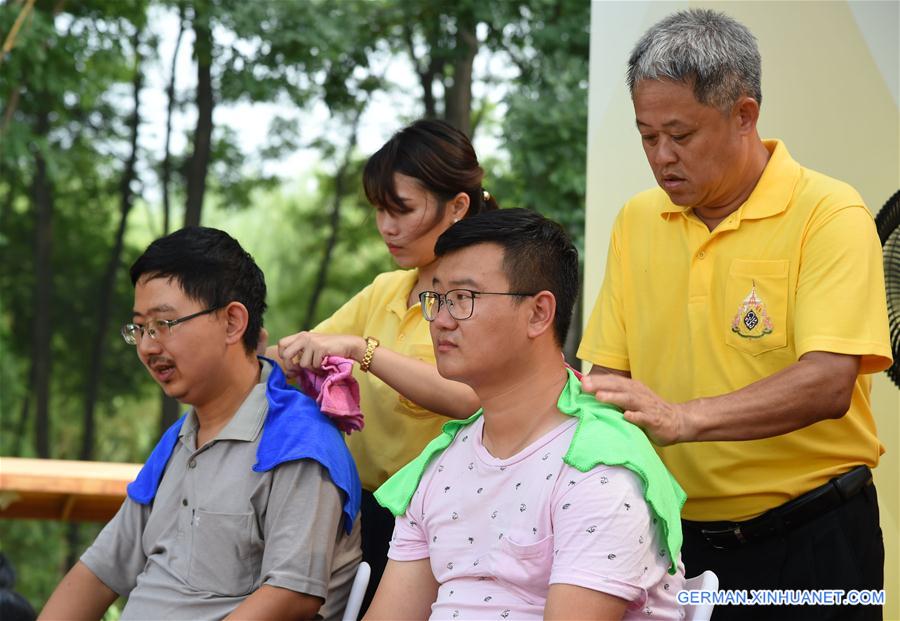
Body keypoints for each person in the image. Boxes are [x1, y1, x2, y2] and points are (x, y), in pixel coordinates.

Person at [577, 9, 892, 621]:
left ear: (744, 115)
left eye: (681, 135)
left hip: (814, 537)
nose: (662, 157)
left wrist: (684, 418)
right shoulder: (637, 220)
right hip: (678, 543)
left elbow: (829, 380)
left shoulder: (828, 213)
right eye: (646, 136)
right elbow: (607, 379)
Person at [366, 209, 686, 620]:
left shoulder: (599, 469)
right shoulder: (440, 466)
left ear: (538, 313)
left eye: (463, 299)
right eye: (438, 298)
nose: (441, 320)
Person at [41, 227, 361, 621]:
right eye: (139, 328)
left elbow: (292, 595)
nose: (147, 346)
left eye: (164, 324)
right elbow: (99, 571)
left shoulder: (298, 440)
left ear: (232, 323)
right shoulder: (179, 440)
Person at [271, 119, 496, 606]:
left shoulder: (481, 294)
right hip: (366, 512)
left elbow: (470, 398)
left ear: (457, 206)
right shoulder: (387, 289)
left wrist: (362, 351)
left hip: (448, 522)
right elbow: (307, 347)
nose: (386, 227)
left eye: (402, 210)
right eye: (379, 210)